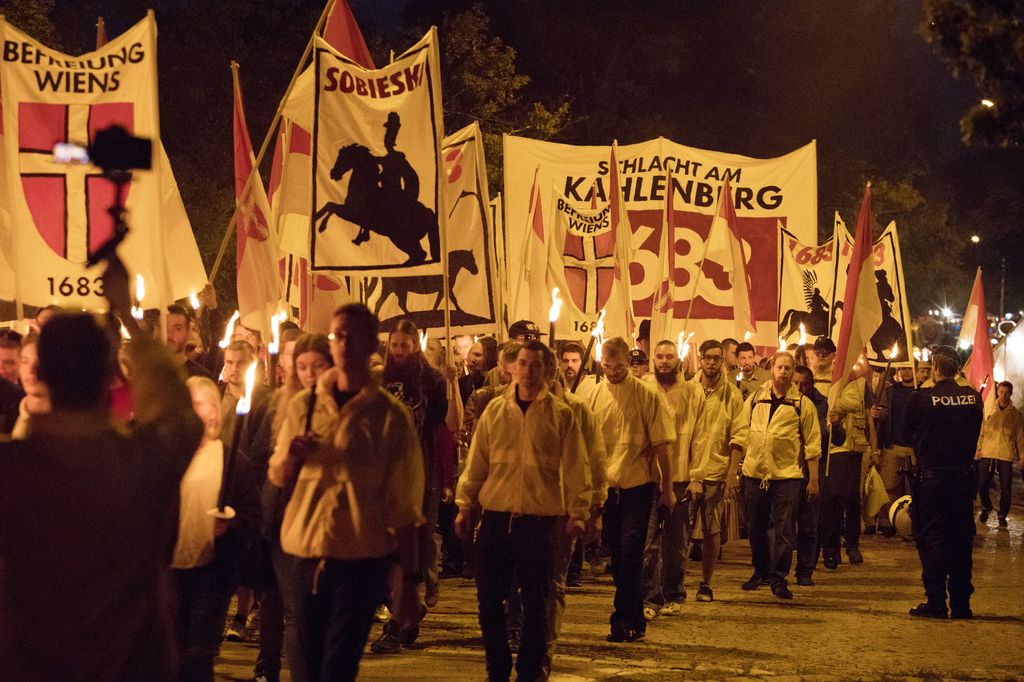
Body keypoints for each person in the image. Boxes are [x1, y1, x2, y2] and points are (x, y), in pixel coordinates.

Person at [0, 255, 203, 679]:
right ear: (108, 374)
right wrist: (129, 317)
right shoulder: (142, 464)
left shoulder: (11, 471)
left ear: (42, 374)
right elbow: (180, 412)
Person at [268, 304, 424, 680]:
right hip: (306, 554)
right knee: (305, 666)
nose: (345, 344)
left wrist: (409, 581)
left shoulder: (388, 416)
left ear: (373, 344)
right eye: (338, 335)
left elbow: (404, 504)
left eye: (354, 336)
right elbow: (279, 477)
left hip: (360, 560)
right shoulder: (304, 405)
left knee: (338, 666)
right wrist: (292, 457)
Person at [456, 340, 591, 682]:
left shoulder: (561, 416)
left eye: (536, 365)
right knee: (488, 601)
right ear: (512, 368)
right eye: (523, 364)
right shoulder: (495, 413)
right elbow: (477, 464)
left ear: (547, 370)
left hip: (540, 522)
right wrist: (465, 504)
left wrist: (580, 510)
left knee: (536, 603)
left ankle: (530, 671)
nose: (529, 371)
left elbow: (577, 466)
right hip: (497, 519)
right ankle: (497, 668)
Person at [173, 377, 261, 682]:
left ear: (214, 412)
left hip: (212, 574)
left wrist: (231, 527)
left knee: (198, 655)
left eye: (197, 404)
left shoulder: (233, 463)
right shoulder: (167, 458)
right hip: (169, 572)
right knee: (170, 655)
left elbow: (252, 517)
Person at [588, 337, 674, 643]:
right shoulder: (595, 395)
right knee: (620, 558)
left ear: (629, 362)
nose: (612, 372)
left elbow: (662, 444)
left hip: (638, 485)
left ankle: (620, 618)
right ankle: (636, 618)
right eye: (607, 367)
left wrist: (667, 487)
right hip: (608, 488)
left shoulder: (646, 395)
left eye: (619, 366)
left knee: (630, 552)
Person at [372, 319, 449, 654]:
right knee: (384, 553)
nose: (399, 350)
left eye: (405, 345)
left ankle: (396, 624)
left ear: (416, 345)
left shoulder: (431, 381)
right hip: (380, 476)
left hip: (419, 476)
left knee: (409, 552)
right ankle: (406, 609)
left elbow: (439, 426)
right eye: (394, 344)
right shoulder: (379, 379)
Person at [901, 346, 983, 619]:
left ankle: (936, 601)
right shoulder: (973, 398)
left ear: (935, 368)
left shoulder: (921, 397)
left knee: (932, 539)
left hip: (932, 481)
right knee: (960, 539)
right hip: (962, 479)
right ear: (957, 369)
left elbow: (903, 436)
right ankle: (961, 603)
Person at [740, 351, 821, 600]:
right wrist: (738, 464)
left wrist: (814, 479)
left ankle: (779, 577)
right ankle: (761, 570)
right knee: (755, 527)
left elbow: (812, 443)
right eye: (779, 368)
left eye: (788, 368)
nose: (783, 372)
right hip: (755, 472)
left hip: (786, 475)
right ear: (772, 369)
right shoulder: (755, 399)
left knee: (785, 529)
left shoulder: (802, 404)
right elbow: (741, 430)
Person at [642, 340, 703, 616]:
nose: (664, 361)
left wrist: (697, 476)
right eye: (659, 356)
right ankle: (650, 598)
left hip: (680, 476)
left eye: (669, 356)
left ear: (677, 359)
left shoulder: (692, 392)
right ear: (652, 359)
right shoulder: (643, 389)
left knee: (676, 543)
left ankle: (674, 592)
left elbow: (701, 436)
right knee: (648, 543)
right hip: (648, 477)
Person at [686, 339, 747, 603]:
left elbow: (739, 435)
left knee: (711, 528)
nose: (711, 363)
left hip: (716, 471)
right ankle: (674, 581)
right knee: (679, 530)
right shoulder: (687, 390)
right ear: (700, 359)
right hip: (687, 472)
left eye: (716, 358)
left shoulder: (731, 394)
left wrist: (732, 472)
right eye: (707, 358)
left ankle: (706, 583)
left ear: (722, 360)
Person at [792, 365, 844, 586]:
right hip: (787, 469)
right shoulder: (782, 400)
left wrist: (836, 424)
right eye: (795, 384)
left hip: (815, 470)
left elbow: (838, 439)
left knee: (809, 522)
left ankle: (806, 568)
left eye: (802, 384)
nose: (798, 388)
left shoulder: (823, 404)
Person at [819, 356, 871, 569]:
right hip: (833, 449)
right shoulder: (824, 381)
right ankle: (831, 550)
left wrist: (830, 398)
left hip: (853, 448)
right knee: (832, 500)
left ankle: (852, 544)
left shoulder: (859, 382)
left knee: (852, 498)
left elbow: (854, 402)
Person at [975, 381, 1024, 528]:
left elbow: (1020, 436)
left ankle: (1002, 514)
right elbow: (981, 432)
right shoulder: (989, 410)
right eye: (1001, 392)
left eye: (1006, 392)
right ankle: (986, 506)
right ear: (997, 391)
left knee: (1006, 487)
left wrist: (1022, 455)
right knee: (982, 484)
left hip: (1005, 454)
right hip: (988, 452)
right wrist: (978, 449)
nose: (1003, 395)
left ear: (1011, 393)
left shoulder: (1015, 415)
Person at [9, 334, 48, 440]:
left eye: (40, 363)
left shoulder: (68, 420)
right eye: (25, 361)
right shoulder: (14, 408)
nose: (31, 370)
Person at [167, 304, 214, 378]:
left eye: (178, 328)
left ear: (188, 333)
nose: (170, 334)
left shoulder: (200, 376)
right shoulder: (153, 375)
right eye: (166, 328)